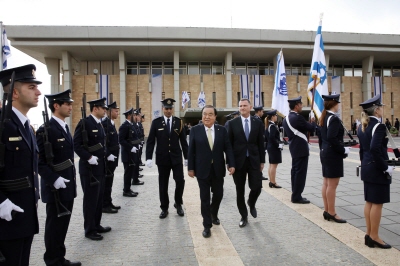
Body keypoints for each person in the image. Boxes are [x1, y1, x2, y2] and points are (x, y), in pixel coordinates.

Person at [0, 65, 41, 266]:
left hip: (24, 215)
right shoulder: (2, 123)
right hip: (5, 218)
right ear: (14, 92)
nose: (38, 92)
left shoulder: (26, 126)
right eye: (32, 87)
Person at [36, 89, 81, 266]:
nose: (71, 107)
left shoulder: (62, 127)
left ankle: (60, 258)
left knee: (63, 225)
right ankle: (53, 260)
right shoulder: (46, 130)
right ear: (56, 106)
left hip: (67, 185)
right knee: (54, 225)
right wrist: (54, 179)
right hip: (55, 187)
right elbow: (39, 163)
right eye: (67, 104)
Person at [187, 105, 235, 238]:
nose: (206, 117)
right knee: (204, 198)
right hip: (201, 170)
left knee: (218, 194)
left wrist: (230, 163)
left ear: (215, 116)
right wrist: (190, 168)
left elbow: (228, 148)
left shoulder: (221, 130)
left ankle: (214, 213)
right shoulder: (195, 130)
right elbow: (191, 150)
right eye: (204, 114)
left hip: (218, 169)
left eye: (210, 114)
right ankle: (207, 225)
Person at [357, 95, 393, 249]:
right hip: (377, 169)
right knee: (377, 204)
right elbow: (374, 149)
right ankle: (375, 237)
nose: (382, 109)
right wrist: (386, 167)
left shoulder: (362, 126)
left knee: (370, 202)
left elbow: (363, 150)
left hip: (367, 167)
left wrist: (364, 163)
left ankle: (369, 234)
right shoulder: (378, 126)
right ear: (377, 110)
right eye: (381, 107)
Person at [73, 97, 111, 241]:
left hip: (100, 168)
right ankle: (89, 229)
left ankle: (97, 224)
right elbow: (76, 145)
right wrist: (88, 157)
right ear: (95, 109)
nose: (105, 110)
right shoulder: (85, 123)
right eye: (103, 108)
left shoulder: (99, 124)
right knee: (90, 200)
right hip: (89, 169)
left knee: (99, 198)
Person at [146, 98, 188, 219]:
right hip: (162, 158)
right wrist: (148, 157)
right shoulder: (156, 122)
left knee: (180, 181)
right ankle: (164, 207)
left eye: (170, 108)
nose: (168, 111)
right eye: (166, 108)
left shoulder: (178, 122)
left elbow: (183, 141)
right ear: (163, 109)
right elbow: (150, 141)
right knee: (163, 184)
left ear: (172, 109)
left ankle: (178, 203)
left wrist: (187, 157)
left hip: (176, 158)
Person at [228, 99, 265, 228]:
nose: (242, 108)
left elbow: (261, 143)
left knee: (257, 187)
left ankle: (251, 202)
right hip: (238, 163)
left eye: (245, 106)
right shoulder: (232, 123)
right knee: (240, 190)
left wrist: (262, 161)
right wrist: (230, 164)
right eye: (240, 106)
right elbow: (228, 146)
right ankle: (244, 216)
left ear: (250, 107)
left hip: (254, 160)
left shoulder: (257, 122)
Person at [319, 94, 349, 224]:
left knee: (326, 183)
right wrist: (343, 150)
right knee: (332, 185)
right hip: (332, 154)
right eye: (338, 103)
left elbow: (322, 138)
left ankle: (327, 210)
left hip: (325, 152)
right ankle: (331, 212)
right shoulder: (334, 119)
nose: (339, 105)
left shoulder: (324, 117)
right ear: (334, 104)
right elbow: (332, 138)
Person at [282, 96, 316, 204]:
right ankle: (297, 196)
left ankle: (295, 193)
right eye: (301, 104)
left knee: (295, 171)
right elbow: (311, 128)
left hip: (294, 147)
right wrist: (313, 121)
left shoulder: (286, 118)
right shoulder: (298, 118)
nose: (302, 106)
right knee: (300, 173)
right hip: (301, 148)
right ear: (296, 106)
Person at [101, 101, 121, 214]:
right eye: (115, 111)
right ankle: (105, 204)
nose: (117, 113)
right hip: (108, 159)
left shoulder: (111, 123)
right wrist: (108, 154)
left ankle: (109, 202)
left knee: (110, 181)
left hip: (113, 159)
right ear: (109, 112)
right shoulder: (105, 124)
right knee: (107, 182)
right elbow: (103, 143)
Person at [119, 108, 141, 198]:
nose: (135, 116)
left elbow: (133, 138)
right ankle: (126, 190)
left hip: (132, 153)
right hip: (127, 154)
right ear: (129, 116)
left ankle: (128, 188)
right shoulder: (124, 126)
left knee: (130, 171)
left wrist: (137, 145)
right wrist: (131, 148)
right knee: (127, 173)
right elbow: (121, 140)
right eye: (133, 115)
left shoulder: (130, 125)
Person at [265, 110, 283, 189]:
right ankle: (273, 182)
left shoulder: (269, 125)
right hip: (273, 147)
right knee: (274, 165)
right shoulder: (272, 126)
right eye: (275, 115)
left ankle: (271, 181)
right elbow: (272, 137)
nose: (276, 117)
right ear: (272, 116)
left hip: (271, 147)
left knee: (271, 164)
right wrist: (278, 145)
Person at [254, 106, 268, 181]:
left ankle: (260, 174)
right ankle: (258, 174)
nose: (263, 113)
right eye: (262, 111)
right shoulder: (256, 120)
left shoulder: (258, 119)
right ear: (259, 111)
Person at [132, 109, 145, 180]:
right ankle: (134, 176)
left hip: (138, 143)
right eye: (138, 116)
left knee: (137, 159)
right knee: (135, 161)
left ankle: (136, 174)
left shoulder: (138, 124)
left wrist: (141, 141)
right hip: (134, 146)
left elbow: (140, 134)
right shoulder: (132, 125)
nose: (140, 117)